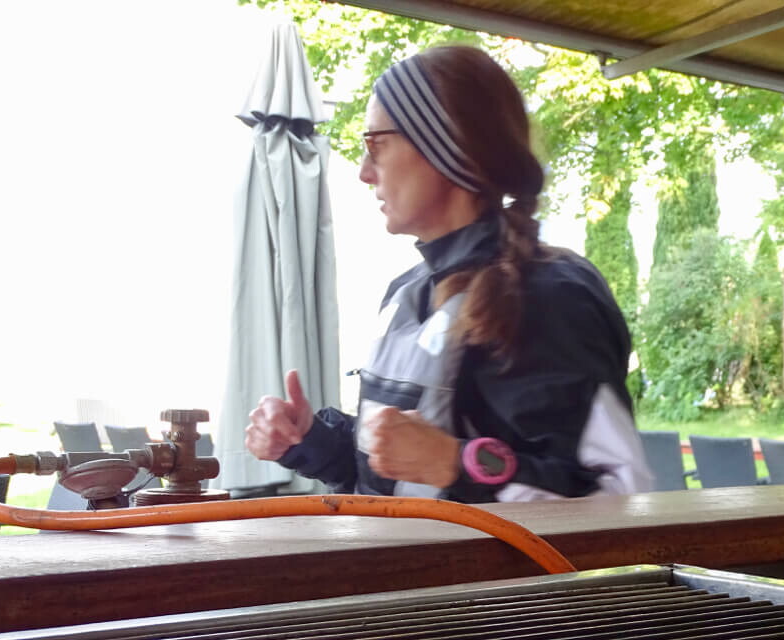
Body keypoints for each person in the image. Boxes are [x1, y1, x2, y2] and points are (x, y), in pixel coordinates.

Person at [244, 45, 651, 501]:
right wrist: (310, 441)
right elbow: (394, 480)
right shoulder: (407, 293)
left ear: (447, 146)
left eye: (376, 145)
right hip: (399, 552)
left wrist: (455, 463)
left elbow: (615, 495)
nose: (363, 172)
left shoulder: (549, 297)